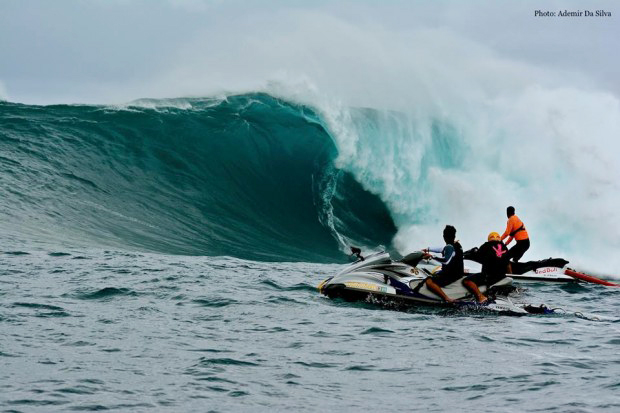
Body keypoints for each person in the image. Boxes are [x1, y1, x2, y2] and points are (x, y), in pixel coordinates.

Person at [462, 231, 510, 303]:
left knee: (466, 281)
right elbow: (508, 264)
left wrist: (466, 256)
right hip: (502, 276)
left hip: (489, 276)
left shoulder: (486, 245)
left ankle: (480, 297)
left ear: (489, 238)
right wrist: (510, 274)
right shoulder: (505, 247)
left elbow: (477, 257)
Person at [422, 225, 464, 303]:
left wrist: (432, 257)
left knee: (429, 281)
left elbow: (446, 261)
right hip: (457, 272)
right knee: (434, 273)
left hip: (451, 275)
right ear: (454, 236)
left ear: (444, 236)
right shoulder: (456, 244)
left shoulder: (450, 247)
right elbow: (443, 249)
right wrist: (428, 249)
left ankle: (446, 298)